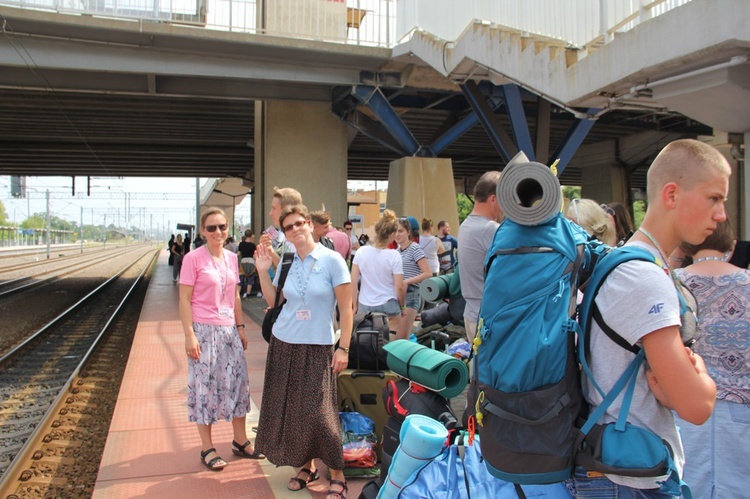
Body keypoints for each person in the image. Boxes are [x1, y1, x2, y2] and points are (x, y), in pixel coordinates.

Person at [573, 138, 727, 497]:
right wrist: (701, 374)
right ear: (671, 194)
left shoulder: (623, 260)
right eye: (713, 198)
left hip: (611, 466)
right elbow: (697, 406)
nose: (721, 215)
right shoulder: (644, 279)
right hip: (629, 479)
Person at [254, 204, 353, 499]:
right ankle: (305, 466)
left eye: (299, 223)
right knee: (293, 411)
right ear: (284, 233)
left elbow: (347, 309)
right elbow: (275, 301)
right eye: (288, 227)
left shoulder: (332, 260)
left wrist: (343, 347)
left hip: (319, 346)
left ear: (310, 224)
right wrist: (262, 272)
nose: (295, 230)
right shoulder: (285, 261)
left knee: (320, 413)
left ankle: (337, 473)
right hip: (284, 342)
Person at [178, 207, 264, 472]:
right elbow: (184, 298)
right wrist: (189, 335)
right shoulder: (193, 259)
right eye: (212, 227)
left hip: (228, 330)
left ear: (229, 230)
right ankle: (207, 447)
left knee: (239, 384)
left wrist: (240, 326)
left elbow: (235, 295)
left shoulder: (230, 257)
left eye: (223, 227)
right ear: (203, 231)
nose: (218, 232)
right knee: (205, 387)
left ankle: (240, 440)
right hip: (204, 331)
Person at [673, 220, 750, 499]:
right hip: (743, 409)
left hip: (685, 408)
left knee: (684, 488)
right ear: (731, 248)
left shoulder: (671, 282)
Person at [458, 170, 502, 342]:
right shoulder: (489, 229)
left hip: (472, 312)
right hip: (488, 316)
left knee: (477, 368)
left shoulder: (466, 225)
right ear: (492, 199)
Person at [351, 210, 404, 334]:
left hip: (365, 304)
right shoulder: (394, 255)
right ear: (392, 235)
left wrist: (354, 304)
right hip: (389, 303)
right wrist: (402, 305)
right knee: (392, 345)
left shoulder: (361, 252)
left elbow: (353, 282)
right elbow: (399, 287)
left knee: (366, 342)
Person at [395, 216, 432, 340]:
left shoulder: (415, 248)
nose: (397, 234)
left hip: (411, 294)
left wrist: (407, 281)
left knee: (402, 337)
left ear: (408, 232)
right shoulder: (397, 251)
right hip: (398, 295)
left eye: (400, 231)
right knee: (395, 337)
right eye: (395, 231)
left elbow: (428, 273)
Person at [258, 186, 303, 269]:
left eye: (274, 208)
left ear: (286, 210)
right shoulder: (288, 236)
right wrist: (270, 250)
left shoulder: (299, 237)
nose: (270, 213)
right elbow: (285, 270)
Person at [238, 229, 257, 298]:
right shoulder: (253, 245)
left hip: (243, 261)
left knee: (241, 277)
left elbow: (238, 253)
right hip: (251, 262)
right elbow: (254, 256)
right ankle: (247, 293)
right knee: (250, 278)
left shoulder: (241, 244)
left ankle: (238, 293)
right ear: (251, 235)